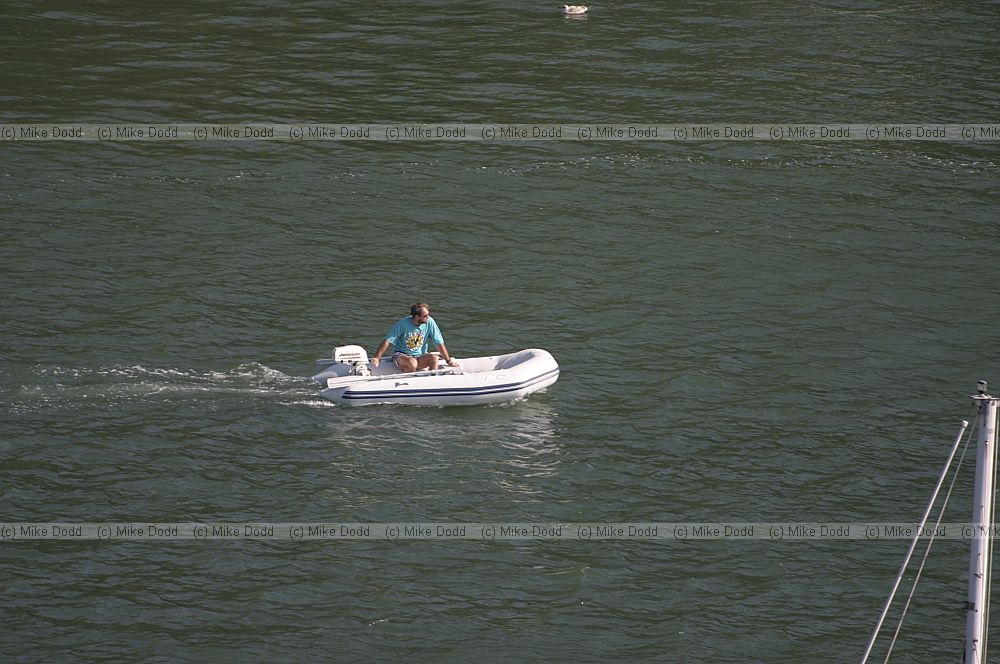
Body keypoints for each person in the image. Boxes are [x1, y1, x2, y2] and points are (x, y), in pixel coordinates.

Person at [371, 303, 459, 373]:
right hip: (402, 355)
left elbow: (439, 343)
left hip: (420, 356)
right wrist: (377, 358)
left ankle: (432, 380)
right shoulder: (403, 324)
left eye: (428, 315)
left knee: (434, 358)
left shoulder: (430, 322)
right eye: (425, 316)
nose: (428, 317)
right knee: (412, 363)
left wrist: (448, 361)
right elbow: (387, 341)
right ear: (417, 317)